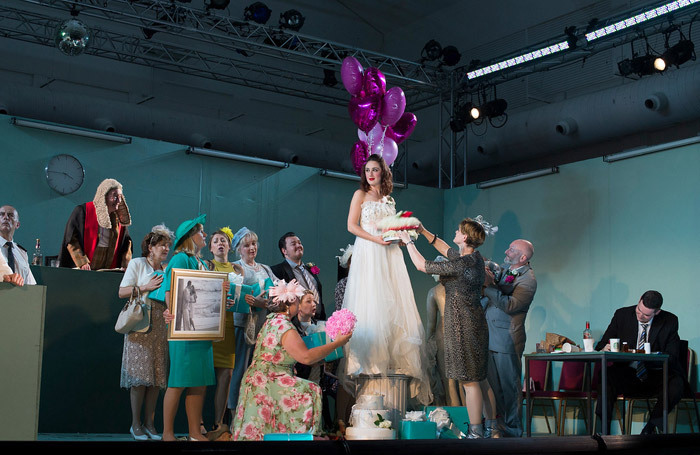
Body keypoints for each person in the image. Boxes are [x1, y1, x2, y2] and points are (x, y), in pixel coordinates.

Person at [342, 154, 431, 406]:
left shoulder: (389, 199)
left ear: (383, 172)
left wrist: (400, 231)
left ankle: (391, 363)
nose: (370, 174)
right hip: (370, 250)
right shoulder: (360, 195)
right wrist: (377, 239)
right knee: (371, 299)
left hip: (390, 251)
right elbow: (351, 225)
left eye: (375, 170)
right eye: (367, 170)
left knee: (392, 299)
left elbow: (390, 225)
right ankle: (371, 362)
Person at [399, 217, 497, 438]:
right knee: (481, 379)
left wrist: (409, 242)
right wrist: (423, 230)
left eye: (458, 230)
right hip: (474, 322)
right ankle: (492, 428)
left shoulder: (462, 265)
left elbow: (421, 265)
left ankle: (476, 432)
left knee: (469, 381)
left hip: (464, 326)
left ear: (464, 237)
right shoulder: (473, 258)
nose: (454, 232)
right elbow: (446, 249)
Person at [231, 279, 352, 441]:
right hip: (269, 380)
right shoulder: (284, 326)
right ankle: (303, 437)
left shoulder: (272, 321)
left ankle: (292, 436)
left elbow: (292, 356)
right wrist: (338, 343)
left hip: (261, 379)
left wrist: (320, 358)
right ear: (290, 305)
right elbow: (306, 357)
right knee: (311, 390)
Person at [161, 214, 229, 441]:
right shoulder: (180, 259)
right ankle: (167, 434)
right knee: (178, 382)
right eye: (201, 232)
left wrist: (222, 291)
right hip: (184, 332)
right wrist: (172, 312)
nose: (205, 235)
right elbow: (170, 289)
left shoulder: (200, 262)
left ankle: (193, 433)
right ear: (190, 236)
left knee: (200, 383)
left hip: (201, 332)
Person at [595, 290, 686, 435]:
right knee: (606, 375)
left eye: (646, 315)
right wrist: (605, 347)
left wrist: (650, 358)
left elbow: (672, 356)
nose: (640, 316)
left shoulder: (670, 321)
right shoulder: (622, 315)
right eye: (639, 311)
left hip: (654, 375)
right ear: (639, 301)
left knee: (677, 383)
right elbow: (600, 345)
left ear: (657, 312)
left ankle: (650, 429)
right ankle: (603, 430)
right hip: (628, 373)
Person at [117, 224, 174, 440]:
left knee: (156, 380)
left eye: (167, 245)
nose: (165, 249)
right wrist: (145, 287)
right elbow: (121, 292)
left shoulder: (167, 269)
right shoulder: (137, 263)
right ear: (150, 247)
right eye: (161, 245)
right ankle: (135, 424)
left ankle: (150, 423)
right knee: (139, 379)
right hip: (140, 325)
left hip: (160, 326)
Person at [481, 239, 537, 438]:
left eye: (511, 249)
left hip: (506, 339)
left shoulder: (528, 280)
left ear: (523, 257)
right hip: (488, 335)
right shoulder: (504, 268)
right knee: (492, 388)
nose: (506, 251)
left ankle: (513, 431)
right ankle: (494, 427)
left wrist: (488, 288)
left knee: (509, 387)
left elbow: (511, 305)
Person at [228, 227, 278, 422]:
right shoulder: (235, 267)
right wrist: (254, 302)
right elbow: (234, 294)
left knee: (260, 372)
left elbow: (276, 293)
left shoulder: (265, 268)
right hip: (243, 326)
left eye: (254, 244)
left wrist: (272, 302)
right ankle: (234, 416)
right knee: (239, 370)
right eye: (246, 245)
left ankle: (255, 416)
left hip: (263, 327)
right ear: (238, 249)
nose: (251, 248)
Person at [205, 227, 244, 439]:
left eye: (224, 240)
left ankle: (218, 423)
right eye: (216, 241)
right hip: (208, 325)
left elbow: (241, 296)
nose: (220, 243)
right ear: (210, 248)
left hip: (228, 325)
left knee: (226, 375)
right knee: (202, 375)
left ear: (229, 245)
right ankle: (199, 422)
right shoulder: (206, 265)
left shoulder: (238, 270)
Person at [58, 179, 132, 270]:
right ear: (104, 196)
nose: (119, 201)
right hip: (86, 264)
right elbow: (71, 240)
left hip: (109, 265)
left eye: (120, 196)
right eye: (115, 196)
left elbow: (126, 244)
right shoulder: (83, 211)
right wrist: (82, 262)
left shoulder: (119, 219)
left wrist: (125, 264)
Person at [426, 256, 462, 407]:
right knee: (464, 382)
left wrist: (427, 344)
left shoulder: (434, 292)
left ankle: (456, 418)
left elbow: (431, 324)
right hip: (461, 333)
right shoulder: (461, 289)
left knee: (449, 382)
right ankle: (469, 418)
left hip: (443, 334)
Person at [271, 232, 326, 320]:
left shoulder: (309, 269)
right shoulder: (277, 271)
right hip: (295, 322)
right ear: (284, 251)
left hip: (318, 320)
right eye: (293, 244)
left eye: (299, 243)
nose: (298, 245)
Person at [0, 205, 36, 285]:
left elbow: (30, 284)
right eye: (2, 214)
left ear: (17, 225)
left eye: (10, 215)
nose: (5, 217)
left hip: (19, 296)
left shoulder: (22, 253)